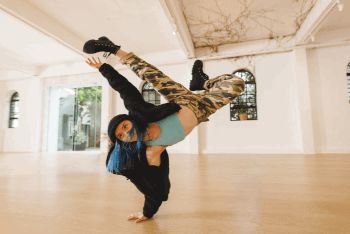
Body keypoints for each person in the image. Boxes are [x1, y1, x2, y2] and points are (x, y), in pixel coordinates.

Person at [83, 36, 245, 223]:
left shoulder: (139, 113)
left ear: (131, 121)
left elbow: (124, 89)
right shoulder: (149, 153)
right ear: (121, 142)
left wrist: (104, 68)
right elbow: (154, 190)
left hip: (181, 100)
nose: (126, 133)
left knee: (152, 75)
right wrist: (147, 213)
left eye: (125, 126)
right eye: (121, 135)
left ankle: (113, 49)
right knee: (237, 83)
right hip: (201, 109)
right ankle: (202, 85)